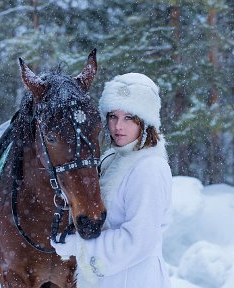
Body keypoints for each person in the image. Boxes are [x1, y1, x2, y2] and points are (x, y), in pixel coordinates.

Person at [51, 73, 172, 288]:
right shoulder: (111, 160)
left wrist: (78, 247)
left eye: (128, 118)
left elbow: (137, 241)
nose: (118, 126)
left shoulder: (149, 168)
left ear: (145, 121)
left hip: (134, 280)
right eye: (113, 116)